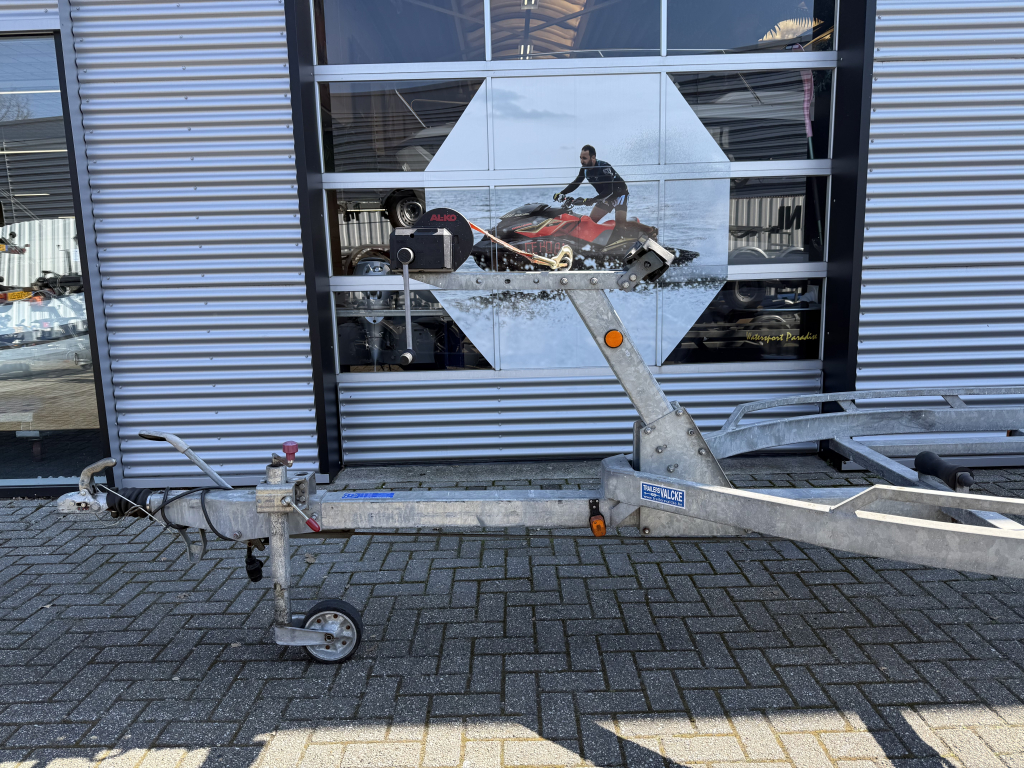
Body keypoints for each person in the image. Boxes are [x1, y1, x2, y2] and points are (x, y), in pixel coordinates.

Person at [554, 145, 630, 228]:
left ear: (593, 157)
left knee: (620, 227)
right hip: (606, 198)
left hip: (620, 195)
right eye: (580, 158)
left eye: (584, 158)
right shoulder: (584, 169)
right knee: (590, 224)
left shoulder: (604, 167)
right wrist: (561, 193)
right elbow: (576, 183)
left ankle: (636, 229)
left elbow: (609, 191)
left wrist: (592, 200)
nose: (582, 161)